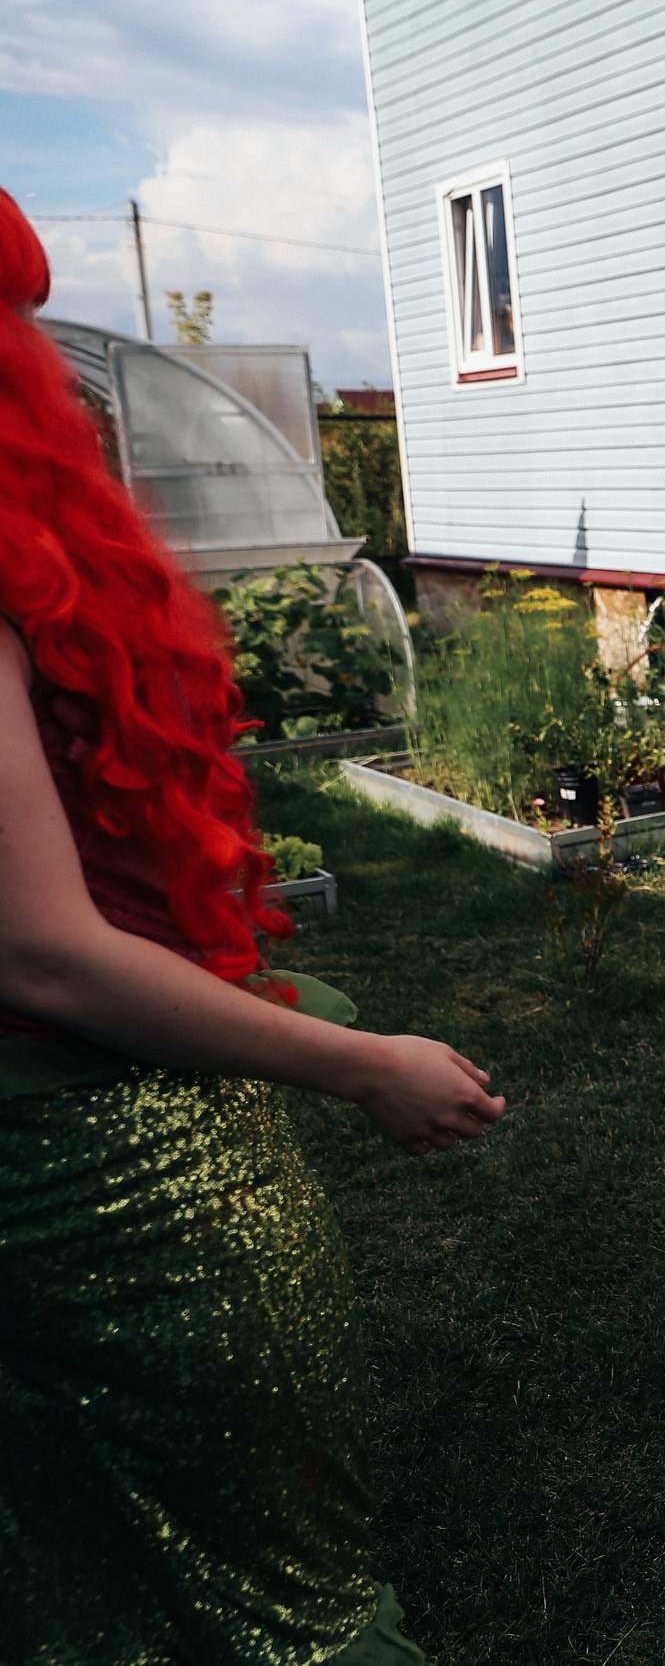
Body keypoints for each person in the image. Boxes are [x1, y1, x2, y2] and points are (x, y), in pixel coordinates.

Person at [0, 189, 505, 1665]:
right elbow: (36, 948)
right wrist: (359, 1062)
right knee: (261, 1582)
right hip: (95, 1179)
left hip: (88, 1141)